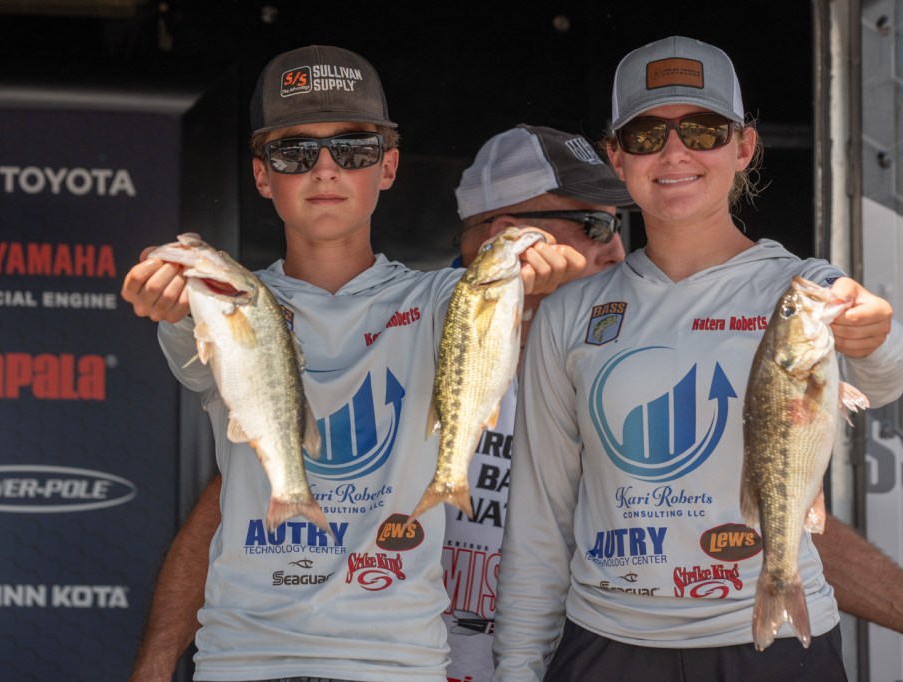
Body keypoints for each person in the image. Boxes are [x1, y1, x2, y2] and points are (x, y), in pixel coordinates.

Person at [120, 44, 585, 682]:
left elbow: (498, 302)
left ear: (388, 166)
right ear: (262, 175)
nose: (325, 169)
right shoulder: (222, 303)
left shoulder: (442, 300)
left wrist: (536, 276)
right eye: (294, 152)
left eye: (354, 149)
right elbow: (182, 317)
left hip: (398, 665)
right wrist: (169, 291)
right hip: (242, 660)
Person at [490, 35, 903, 681]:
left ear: (743, 147)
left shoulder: (803, 288)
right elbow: (540, 520)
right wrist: (517, 668)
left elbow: (884, 377)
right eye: (646, 135)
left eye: (702, 130)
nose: (675, 152)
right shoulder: (571, 312)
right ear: (617, 157)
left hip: (775, 642)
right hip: (606, 641)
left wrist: (876, 336)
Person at [444, 123, 631, 682]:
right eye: (596, 225)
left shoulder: (624, 351)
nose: (618, 250)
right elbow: (253, 489)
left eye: (620, 225)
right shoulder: (403, 329)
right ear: (507, 233)